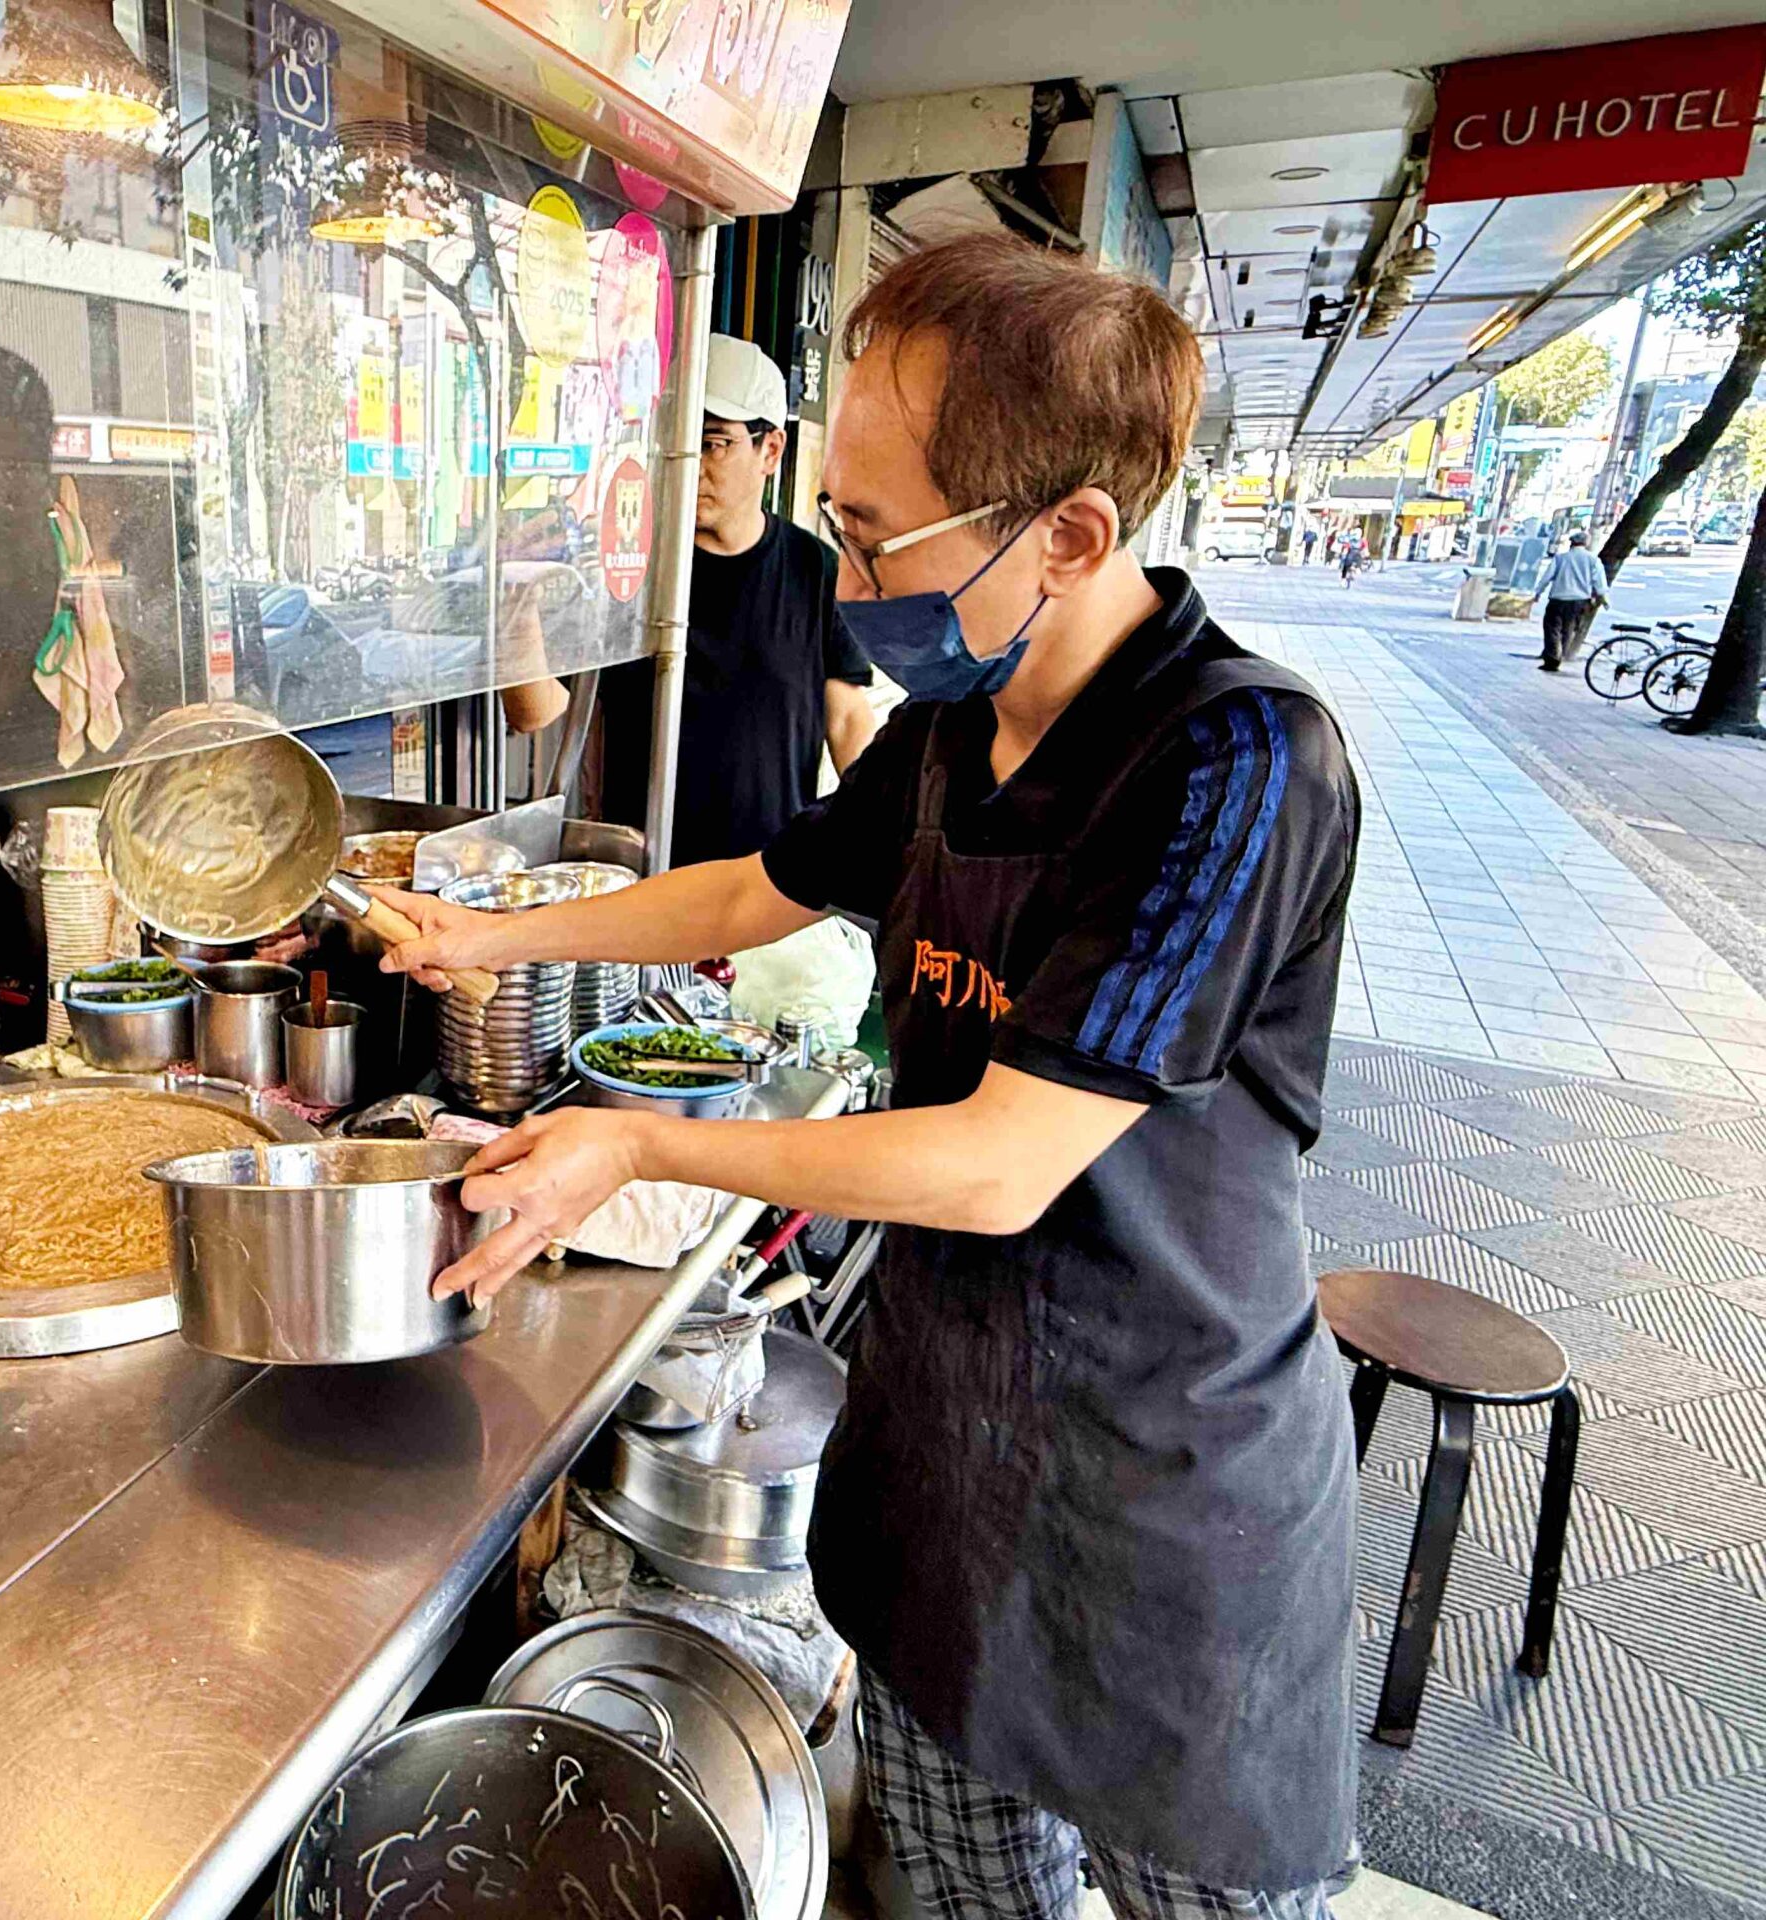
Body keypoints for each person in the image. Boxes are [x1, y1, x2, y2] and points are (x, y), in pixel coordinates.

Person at [380, 232, 1360, 1918]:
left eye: (875, 534)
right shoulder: (949, 728)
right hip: (945, 1457)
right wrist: (491, 943)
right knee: (972, 1891)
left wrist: (639, 1149)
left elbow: (1000, 1164)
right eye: (837, 522)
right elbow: (763, 885)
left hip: (1164, 1504)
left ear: (1069, 536)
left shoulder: (1232, 758)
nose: (846, 582)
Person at [591, 333, 879, 866]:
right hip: (640, 883)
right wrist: (518, 610)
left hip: (766, 886)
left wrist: (885, 841)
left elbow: (845, 722)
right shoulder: (629, 569)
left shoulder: (816, 571)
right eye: (675, 439)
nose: (689, 462)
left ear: (770, 450)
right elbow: (545, 715)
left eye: (713, 442)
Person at [1533, 529, 1609, 671]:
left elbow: (1547, 577)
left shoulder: (1560, 558)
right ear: (1586, 543)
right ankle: (1560, 655)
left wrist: (1538, 592)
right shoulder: (1593, 560)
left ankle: (1552, 657)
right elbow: (1599, 583)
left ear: (1571, 543)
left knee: (1552, 628)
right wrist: (1604, 599)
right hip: (1580, 600)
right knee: (1568, 629)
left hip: (1558, 598)